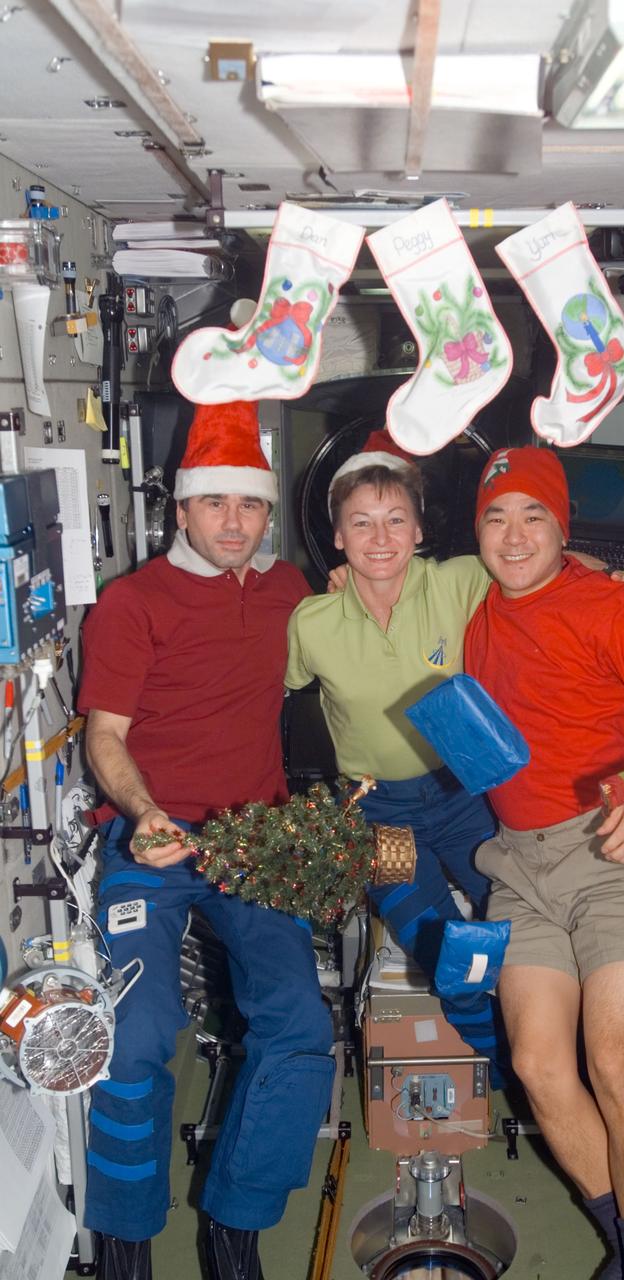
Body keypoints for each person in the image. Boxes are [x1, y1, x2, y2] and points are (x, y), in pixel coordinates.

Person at [285, 432, 624, 1087]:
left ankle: (584, 1063)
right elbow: (278, 696)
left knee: (531, 934)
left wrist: (618, 582)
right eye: (361, 523)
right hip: (381, 818)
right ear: (338, 537)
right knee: (453, 957)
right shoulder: (309, 623)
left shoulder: (458, 584)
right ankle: (528, 1088)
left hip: (463, 797)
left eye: (395, 519)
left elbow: (535, 557)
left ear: (418, 530)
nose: (380, 537)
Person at [78, 402, 334, 1280]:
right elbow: (103, 735)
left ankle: (235, 1225)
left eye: (250, 505)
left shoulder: (288, 592)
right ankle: (124, 1237)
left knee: (299, 1022)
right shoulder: (131, 602)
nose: (234, 522)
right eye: (215, 503)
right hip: (150, 836)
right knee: (135, 1032)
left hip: (254, 839)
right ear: (180, 509)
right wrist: (144, 812)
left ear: (268, 513)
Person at [464, 446, 624, 1280]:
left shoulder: (611, 610)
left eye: (533, 517)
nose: (512, 535)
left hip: (609, 847)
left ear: (559, 527)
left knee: (615, 1061)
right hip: (517, 868)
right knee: (538, 1068)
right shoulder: (469, 601)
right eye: (496, 516)